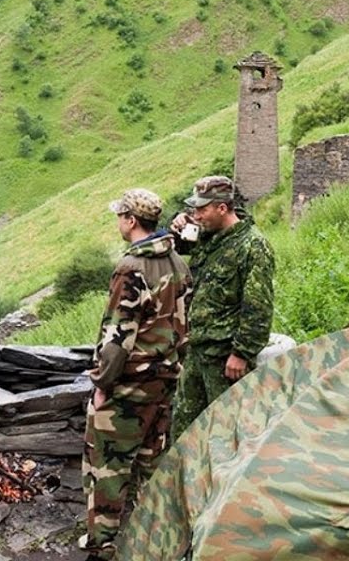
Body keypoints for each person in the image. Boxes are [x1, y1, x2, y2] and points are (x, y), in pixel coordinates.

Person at [79, 189, 191, 561]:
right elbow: (182, 323)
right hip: (164, 380)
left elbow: (117, 337)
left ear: (130, 220)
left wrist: (101, 385)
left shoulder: (131, 268)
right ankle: (156, 545)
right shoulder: (177, 262)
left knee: (107, 468)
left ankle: (102, 547)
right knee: (151, 467)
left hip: (128, 386)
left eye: (120, 216)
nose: (118, 222)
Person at [168, 176, 275, 436]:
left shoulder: (253, 245)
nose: (197, 215)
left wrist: (242, 353)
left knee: (227, 432)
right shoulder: (208, 237)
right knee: (184, 430)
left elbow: (258, 307)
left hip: (225, 359)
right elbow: (179, 246)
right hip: (197, 351)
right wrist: (178, 223)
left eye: (202, 209)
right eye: (193, 209)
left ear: (222, 208)